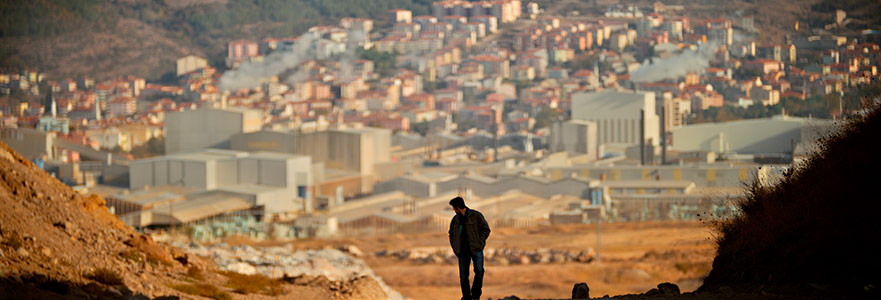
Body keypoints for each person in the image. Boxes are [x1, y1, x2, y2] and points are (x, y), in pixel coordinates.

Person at [448, 196, 491, 300]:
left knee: (479, 271)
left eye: (454, 208)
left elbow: (486, 230)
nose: (454, 210)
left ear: (458, 207)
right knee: (463, 276)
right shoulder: (455, 220)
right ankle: (466, 297)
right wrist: (455, 248)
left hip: (476, 250)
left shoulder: (476, 216)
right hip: (462, 252)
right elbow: (451, 234)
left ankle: (476, 295)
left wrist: (479, 243)